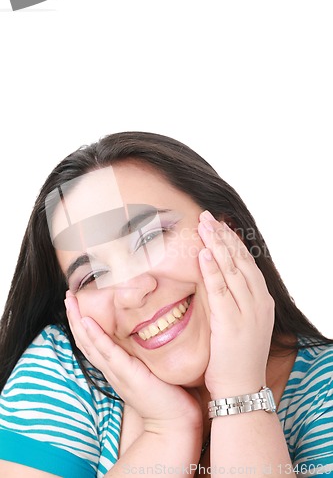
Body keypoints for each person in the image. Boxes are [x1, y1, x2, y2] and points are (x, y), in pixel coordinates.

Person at [0, 131, 332, 478]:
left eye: (150, 237)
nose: (131, 292)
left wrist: (240, 392)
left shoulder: (324, 393)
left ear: (227, 230)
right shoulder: (65, 370)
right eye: (92, 276)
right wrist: (167, 428)